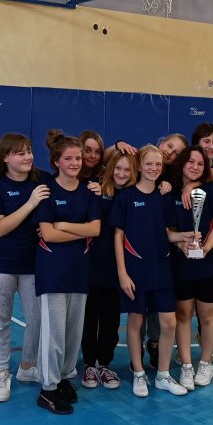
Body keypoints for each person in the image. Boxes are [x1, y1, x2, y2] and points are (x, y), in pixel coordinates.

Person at [33, 130, 101, 414]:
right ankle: (47, 388)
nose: (75, 163)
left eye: (78, 158)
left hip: (79, 269)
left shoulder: (89, 191)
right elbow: (47, 235)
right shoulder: (47, 191)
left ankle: (62, 377)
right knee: (54, 332)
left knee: (73, 331)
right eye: (69, 159)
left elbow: (95, 229)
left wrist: (63, 226)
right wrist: (76, 230)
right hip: (53, 271)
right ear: (57, 161)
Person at [113, 145, 188, 397]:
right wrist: (122, 273)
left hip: (162, 268)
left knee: (169, 322)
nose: (154, 168)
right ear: (139, 165)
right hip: (135, 270)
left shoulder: (164, 196)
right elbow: (118, 236)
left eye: (158, 164)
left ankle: (163, 375)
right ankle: (138, 373)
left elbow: (168, 234)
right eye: (148, 164)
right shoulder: (125, 197)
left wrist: (186, 236)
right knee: (136, 321)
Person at [0, 133, 49, 403]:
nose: (28, 156)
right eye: (21, 153)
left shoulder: (42, 179)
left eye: (29, 151)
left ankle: (28, 366)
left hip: (34, 264)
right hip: (0, 265)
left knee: (38, 319)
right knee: (0, 321)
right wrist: (31, 203)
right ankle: (2, 373)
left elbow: (70, 187)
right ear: (6, 157)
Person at [167, 145, 213, 390]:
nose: (195, 167)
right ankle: (187, 365)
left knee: (207, 314)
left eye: (200, 164)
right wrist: (181, 244)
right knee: (183, 314)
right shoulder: (171, 192)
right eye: (190, 162)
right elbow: (167, 229)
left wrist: (205, 249)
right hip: (181, 263)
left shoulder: (211, 189)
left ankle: (205, 363)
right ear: (182, 163)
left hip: (208, 264)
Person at [80, 150, 135, 390]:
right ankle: (89, 364)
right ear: (110, 168)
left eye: (127, 169)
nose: (121, 174)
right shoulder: (96, 191)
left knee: (111, 319)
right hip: (93, 265)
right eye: (118, 168)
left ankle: (104, 364)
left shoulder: (133, 195)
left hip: (118, 267)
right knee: (89, 317)